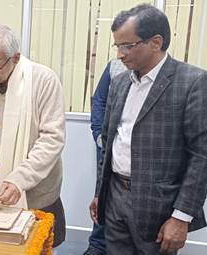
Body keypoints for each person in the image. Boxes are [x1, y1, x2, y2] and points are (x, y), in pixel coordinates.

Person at [94, 4, 207, 255]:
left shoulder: (194, 82)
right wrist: (101, 192)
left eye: (127, 46)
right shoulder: (120, 82)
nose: (120, 55)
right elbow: (111, 141)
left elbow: (204, 156)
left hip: (159, 206)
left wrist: (182, 217)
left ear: (155, 42)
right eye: (117, 46)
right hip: (115, 196)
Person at [0, 24, 66, 247]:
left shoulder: (43, 80)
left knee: (36, 247)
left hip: (35, 193)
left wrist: (19, 179)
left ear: (15, 58)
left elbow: (51, 139)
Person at [84, 59, 126, 255]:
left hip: (134, 150)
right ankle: (97, 245)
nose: (120, 52)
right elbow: (99, 99)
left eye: (126, 45)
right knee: (101, 193)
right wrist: (99, 133)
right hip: (107, 144)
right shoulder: (115, 65)